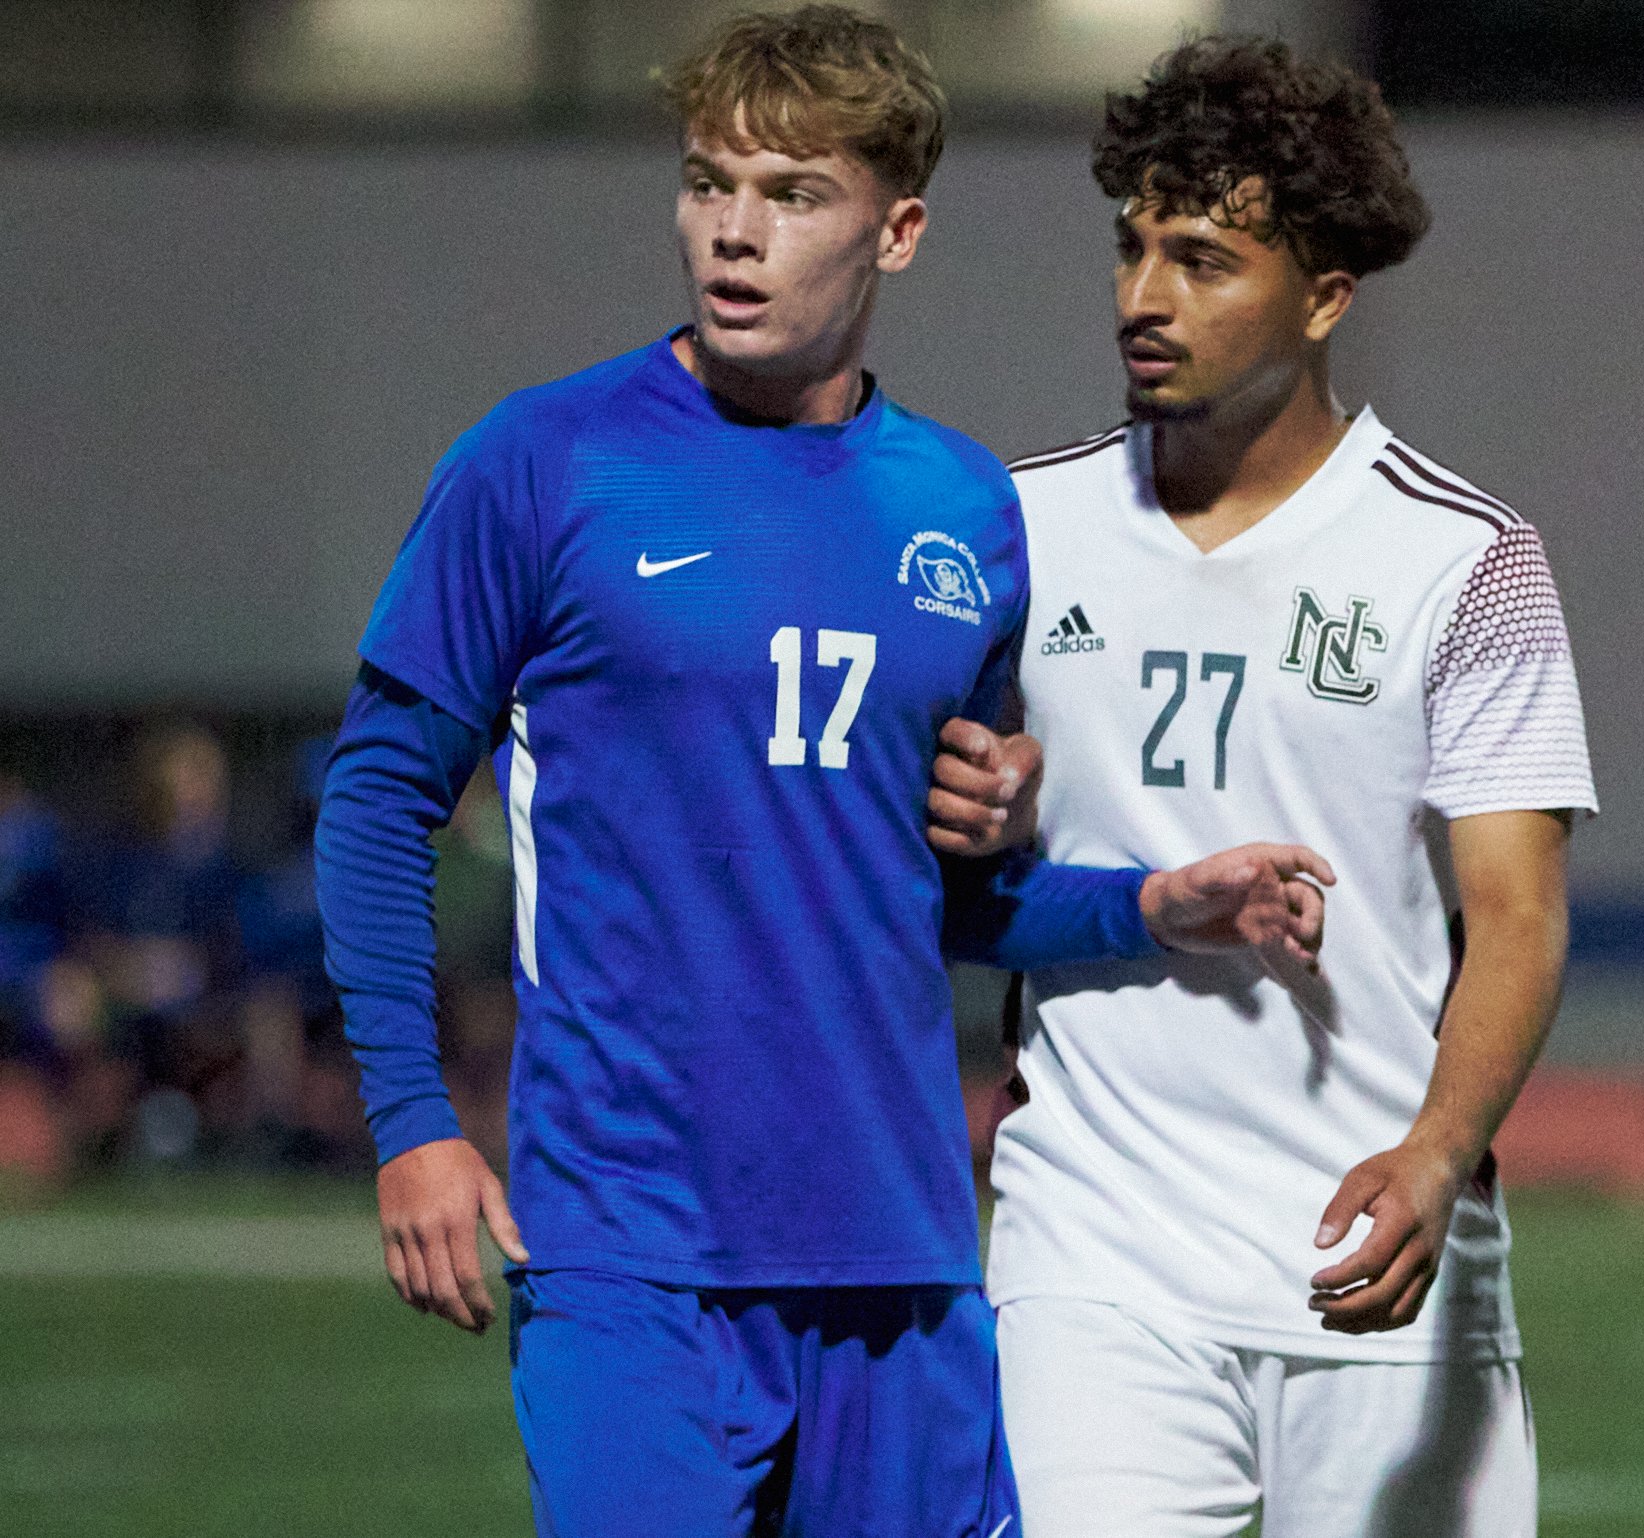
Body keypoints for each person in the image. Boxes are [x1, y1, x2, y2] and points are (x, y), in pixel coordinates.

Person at [313, 10, 1330, 1536]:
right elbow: (376, 799)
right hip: (632, 1254)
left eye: (792, 195)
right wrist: (412, 1123)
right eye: (708, 182)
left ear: (897, 229)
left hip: (903, 1256)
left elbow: (945, 897)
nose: (733, 232)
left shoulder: (965, 512)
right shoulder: (541, 466)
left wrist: (1153, 903)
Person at [929, 37, 1598, 1537]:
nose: (1143, 297)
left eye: (1205, 258)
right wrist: (966, 801)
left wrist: (1437, 1152)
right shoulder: (1008, 532)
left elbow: (1519, 911)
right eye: (1133, 245)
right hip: (1093, 1259)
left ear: (1325, 293)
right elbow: (947, 880)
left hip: (1376, 1251)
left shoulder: (1464, 559)